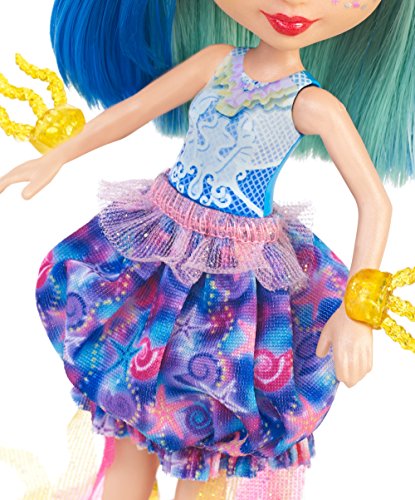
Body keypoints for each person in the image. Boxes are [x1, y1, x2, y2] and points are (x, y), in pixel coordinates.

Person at [0, 1, 413, 499]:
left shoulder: (313, 105)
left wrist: (359, 309)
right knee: (130, 414)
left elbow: (375, 202)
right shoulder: (218, 62)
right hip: (158, 248)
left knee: (214, 429)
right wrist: (60, 153)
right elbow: (135, 111)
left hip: (233, 283)